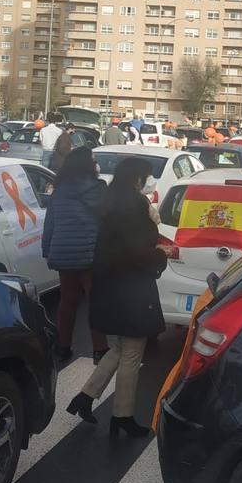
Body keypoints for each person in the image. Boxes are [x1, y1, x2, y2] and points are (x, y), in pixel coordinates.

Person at [66, 157, 166, 437]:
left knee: (121, 347)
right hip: (132, 287)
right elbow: (139, 250)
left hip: (111, 284)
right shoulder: (135, 205)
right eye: (145, 177)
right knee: (133, 352)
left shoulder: (110, 200)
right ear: (137, 178)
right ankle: (123, 416)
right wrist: (160, 254)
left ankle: (84, 397)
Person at [42, 147, 108, 364]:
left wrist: (47, 250)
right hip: (90, 252)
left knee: (67, 301)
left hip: (63, 252)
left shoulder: (59, 191)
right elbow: (106, 219)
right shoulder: (98, 189)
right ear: (88, 165)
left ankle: (63, 346)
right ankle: (99, 349)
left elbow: (50, 223)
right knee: (95, 302)